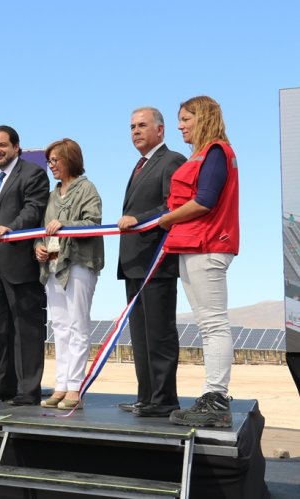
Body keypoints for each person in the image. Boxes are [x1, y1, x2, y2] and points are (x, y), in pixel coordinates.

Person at [159, 96, 239, 428]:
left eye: (185, 119)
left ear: (203, 118)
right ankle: (211, 396)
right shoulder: (204, 155)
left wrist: (166, 219)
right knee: (207, 325)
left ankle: (217, 398)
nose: (180, 126)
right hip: (192, 245)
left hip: (208, 244)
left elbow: (205, 201)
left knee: (213, 325)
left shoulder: (216, 152)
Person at [116, 108, 187, 417]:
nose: (135, 131)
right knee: (141, 337)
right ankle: (146, 397)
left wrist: (139, 219)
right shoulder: (139, 165)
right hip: (134, 262)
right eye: (132, 126)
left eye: (142, 125)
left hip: (156, 261)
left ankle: (164, 399)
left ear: (160, 130)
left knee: (159, 333)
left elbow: (172, 205)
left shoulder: (172, 161)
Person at [0, 125, 49, 406]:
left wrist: (11, 229)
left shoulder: (32, 173)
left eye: (2, 145)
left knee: (26, 328)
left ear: (16, 147)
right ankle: (4, 385)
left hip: (20, 261)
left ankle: (28, 390)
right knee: (2, 328)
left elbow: (33, 209)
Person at [35, 139, 104, 410]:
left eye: (55, 160)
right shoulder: (52, 195)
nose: (51, 166)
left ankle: (75, 387)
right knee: (59, 326)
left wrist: (64, 224)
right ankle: (61, 385)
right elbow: (43, 230)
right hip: (53, 265)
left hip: (79, 262)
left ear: (70, 159)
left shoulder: (87, 189)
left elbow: (93, 223)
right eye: (49, 161)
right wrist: (39, 248)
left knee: (78, 325)